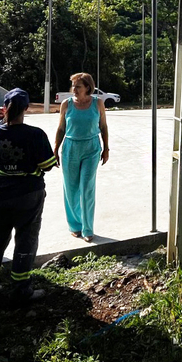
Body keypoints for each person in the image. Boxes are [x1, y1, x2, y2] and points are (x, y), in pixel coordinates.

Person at [0, 88, 57, 305]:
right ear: (26, 108)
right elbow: (47, 165)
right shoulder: (35, 134)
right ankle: (21, 289)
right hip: (28, 194)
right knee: (26, 239)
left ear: (5, 108)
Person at [55, 72, 110, 242]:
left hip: (91, 148)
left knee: (87, 188)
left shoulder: (97, 103)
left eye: (77, 86)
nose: (74, 89)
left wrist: (106, 148)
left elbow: (103, 126)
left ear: (87, 87)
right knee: (71, 189)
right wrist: (55, 149)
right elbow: (61, 128)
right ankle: (75, 225)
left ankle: (87, 228)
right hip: (70, 148)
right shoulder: (67, 104)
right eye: (73, 86)